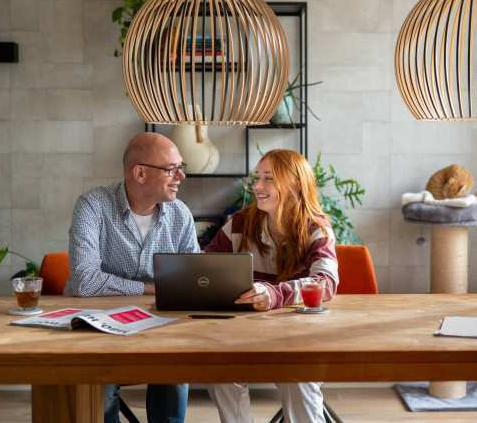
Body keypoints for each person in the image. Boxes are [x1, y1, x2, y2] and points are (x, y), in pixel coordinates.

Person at [65, 132, 199, 423]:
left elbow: (193, 283)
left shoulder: (181, 215)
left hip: (161, 329)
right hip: (100, 329)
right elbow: (85, 281)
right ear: (140, 173)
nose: (181, 176)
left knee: (176, 373)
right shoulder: (93, 206)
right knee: (99, 383)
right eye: (171, 169)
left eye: (181, 166)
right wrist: (153, 288)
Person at [205, 149, 339, 423]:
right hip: (243, 335)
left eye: (268, 178)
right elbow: (207, 268)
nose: (257, 186)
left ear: (295, 185)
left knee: (298, 381)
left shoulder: (317, 227)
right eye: (258, 177)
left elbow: (325, 283)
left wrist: (275, 294)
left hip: (300, 339)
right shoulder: (241, 223)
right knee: (221, 374)